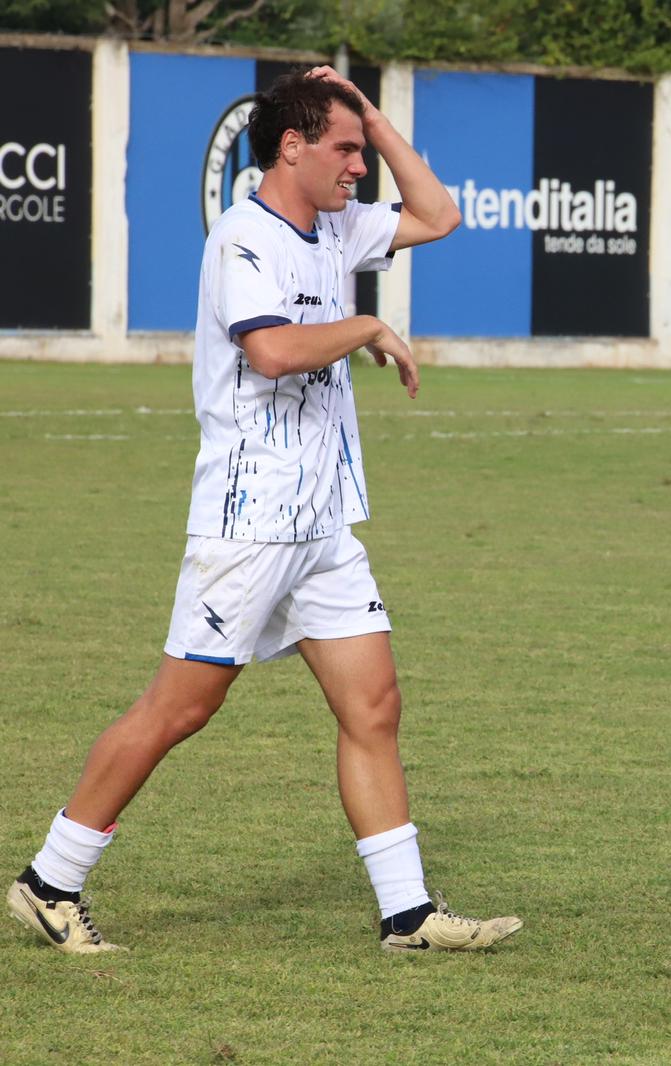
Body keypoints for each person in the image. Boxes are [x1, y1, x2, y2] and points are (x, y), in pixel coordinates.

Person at [6, 67, 521, 955]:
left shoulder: (338, 226)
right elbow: (275, 350)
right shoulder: (245, 237)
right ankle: (49, 883)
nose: (361, 168)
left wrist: (375, 118)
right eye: (346, 149)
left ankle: (408, 914)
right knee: (179, 709)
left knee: (374, 707)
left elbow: (440, 216)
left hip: (321, 524)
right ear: (292, 147)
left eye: (363, 152)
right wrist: (366, 327)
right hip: (249, 519)